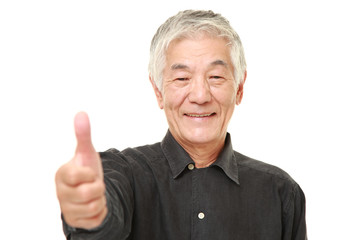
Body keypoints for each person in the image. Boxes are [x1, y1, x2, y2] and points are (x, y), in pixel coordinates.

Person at [55, 10, 307, 240]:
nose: (200, 95)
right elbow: (103, 219)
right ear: (158, 91)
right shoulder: (124, 173)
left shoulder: (281, 192)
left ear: (239, 88)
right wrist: (91, 215)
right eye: (182, 78)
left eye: (216, 77)